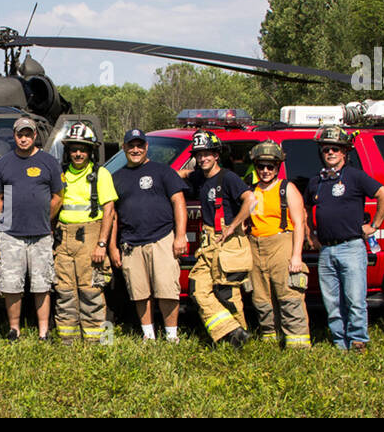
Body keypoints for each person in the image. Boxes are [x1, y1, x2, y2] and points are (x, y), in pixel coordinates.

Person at [303, 125, 384, 353]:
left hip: (351, 247)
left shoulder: (355, 176)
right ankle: (340, 343)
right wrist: (310, 234)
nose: (330, 153)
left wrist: (374, 225)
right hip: (326, 250)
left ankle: (358, 341)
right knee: (332, 302)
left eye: (335, 149)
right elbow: (304, 210)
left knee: (354, 299)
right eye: (326, 150)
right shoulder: (316, 182)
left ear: (344, 152)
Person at [175, 130, 254, 348]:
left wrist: (234, 225)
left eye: (207, 154)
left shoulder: (228, 178)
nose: (203, 158)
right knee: (197, 288)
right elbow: (181, 174)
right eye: (199, 155)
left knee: (227, 291)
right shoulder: (201, 177)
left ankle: (239, 342)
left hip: (228, 241)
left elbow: (250, 199)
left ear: (217, 155)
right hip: (209, 241)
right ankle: (231, 332)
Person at [112, 129, 188, 342]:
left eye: (140, 146)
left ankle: (172, 336)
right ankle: (149, 335)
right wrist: (112, 246)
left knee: (167, 290)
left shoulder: (163, 172)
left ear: (146, 147)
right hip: (130, 243)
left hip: (161, 238)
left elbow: (178, 201)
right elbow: (114, 215)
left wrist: (180, 236)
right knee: (139, 292)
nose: (135, 150)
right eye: (131, 146)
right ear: (124, 148)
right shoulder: (116, 178)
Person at [0, 116, 63, 341]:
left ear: (35, 136)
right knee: (11, 284)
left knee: (42, 283)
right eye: (20, 134)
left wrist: (44, 218)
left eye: (27, 134)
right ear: (14, 136)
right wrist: (4, 217)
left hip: (41, 234)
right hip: (11, 235)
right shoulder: (2, 164)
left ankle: (43, 332)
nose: (23, 138)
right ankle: (14, 329)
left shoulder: (49, 162)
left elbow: (57, 197)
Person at [52, 122, 117, 344]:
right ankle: (67, 341)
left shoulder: (101, 174)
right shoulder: (60, 174)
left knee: (91, 291)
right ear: (68, 151)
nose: (78, 153)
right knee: (64, 291)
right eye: (73, 149)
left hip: (90, 237)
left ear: (91, 151)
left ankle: (97, 341)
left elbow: (109, 210)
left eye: (83, 149)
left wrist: (102, 244)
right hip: (63, 239)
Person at [245, 140, 311, 349]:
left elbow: (299, 223)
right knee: (261, 297)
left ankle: (297, 344)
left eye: (270, 166)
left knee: (289, 295)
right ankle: (270, 339)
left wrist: (296, 256)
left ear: (278, 167)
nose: (265, 171)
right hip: (255, 246)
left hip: (282, 244)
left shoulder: (287, 189)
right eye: (260, 166)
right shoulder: (251, 190)